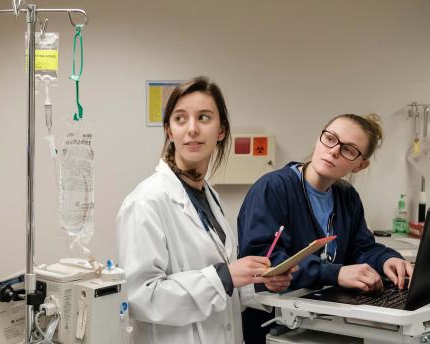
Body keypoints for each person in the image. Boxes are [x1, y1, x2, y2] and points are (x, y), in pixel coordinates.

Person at [117, 76, 296, 344]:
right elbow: (141, 298)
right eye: (180, 119)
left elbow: (222, 286)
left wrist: (259, 281)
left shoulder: (209, 195)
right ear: (169, 130)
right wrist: (223, 277)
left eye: (203, 117)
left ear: (221, 130)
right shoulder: (146, 201)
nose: (192, 129)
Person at [237, 113, 414, 344]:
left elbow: (360, 248)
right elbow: (264, 259)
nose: (333, 151)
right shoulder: (273, 188)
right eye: (330, 139)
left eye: (348, 150)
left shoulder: (347, 196)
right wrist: (335, 273)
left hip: (325, 321)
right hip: (274, 321)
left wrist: (386, 260)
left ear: (360, 165)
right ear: (319, 138)